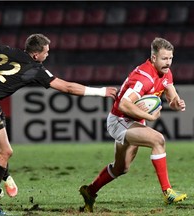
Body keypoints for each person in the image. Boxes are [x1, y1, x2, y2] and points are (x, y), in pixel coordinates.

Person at [0, 33, 117, 215]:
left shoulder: (5, 50)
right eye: (46, 52)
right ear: (36, 55)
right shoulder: (34, 68)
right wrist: (101, 92)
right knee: (5, 151)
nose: (47, 55)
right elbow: (68, 87)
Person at [79, 37, 187, 213]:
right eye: (164, 59)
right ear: (153, 58)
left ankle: (90, 190)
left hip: (134, 121)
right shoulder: (143, 78)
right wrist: (148, 116)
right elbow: (124, 104)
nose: (168, 63)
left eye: (170, 58)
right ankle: (168, 192)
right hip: (120, 120)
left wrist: (177, 103)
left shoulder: (166, 73)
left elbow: (172, 98)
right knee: (158, 140)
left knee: (121, 168)